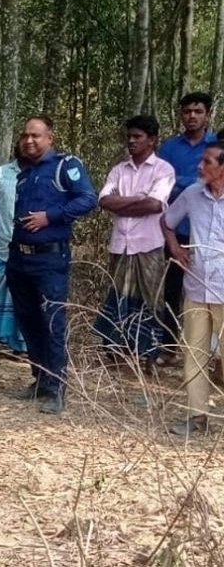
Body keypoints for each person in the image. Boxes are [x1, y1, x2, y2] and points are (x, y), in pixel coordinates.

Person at [6, 116, 97, 414]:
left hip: (50, 258)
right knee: (28, 321)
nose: (29, 140)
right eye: (25, 136)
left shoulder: (64, 165)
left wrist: (51, 216)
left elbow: (87, 199)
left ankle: (57, 386)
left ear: (50, 138)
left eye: (36, 136)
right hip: (19, 257)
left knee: (52, 321)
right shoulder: (24, 172)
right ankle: (40, 379)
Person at [94, 115, 175, 364]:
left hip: (148, 245)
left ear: (151, 140)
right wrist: (137, 198)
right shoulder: (119, 170)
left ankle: (147, 353)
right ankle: (117, 350)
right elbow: (105, 201)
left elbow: (154, 204)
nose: (131, 141)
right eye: (129, 136)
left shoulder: (163, 170)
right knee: (118, 295)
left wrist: (124, 202)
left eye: (137, 137)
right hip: (121, 244)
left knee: (150, 298)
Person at [162, 142, 224, 436]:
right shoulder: (191, 194)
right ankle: (197, 417)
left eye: (208, 161)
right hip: (197, 287)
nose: (200, 166)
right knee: (194, 355)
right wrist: (175, 249)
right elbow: (167, 221)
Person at [158, 92, 217, 366]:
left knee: (214, 295)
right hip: (178, 232)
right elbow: (160, 181)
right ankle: (169, 345)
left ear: (207, 114)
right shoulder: (170, 148)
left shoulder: (216, 146)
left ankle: (212, 355)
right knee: (172, 289)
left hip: (213, 238)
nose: (192, 116)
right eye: (187, 111)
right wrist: (193, 181)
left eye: (198, 111)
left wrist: (179, 181)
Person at [0, 141, 28, 354]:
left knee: (22, 297)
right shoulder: (0, 174)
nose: (27, 145)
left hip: (28, 250)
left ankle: (20, 345)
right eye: (24, 140)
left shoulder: (42, 175)